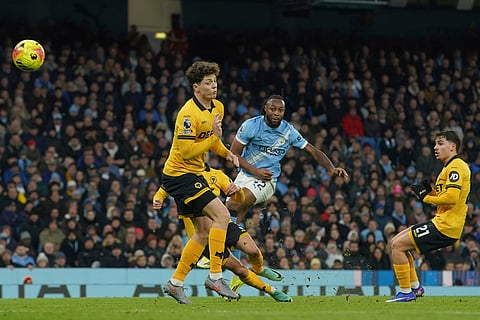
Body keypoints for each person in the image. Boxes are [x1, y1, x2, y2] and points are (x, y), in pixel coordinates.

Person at [154, 60, 239, 302]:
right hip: (180, 175)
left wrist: (227, 153)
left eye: (215, 81)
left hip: (192, 174)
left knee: (202, 233)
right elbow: (187, 151)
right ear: (195, 87)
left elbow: (215, 143)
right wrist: (214, 137)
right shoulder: (187, 114)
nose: (214, 86)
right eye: (208, 83)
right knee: (222, 217)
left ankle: (175, 283)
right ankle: (215, 276)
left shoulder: (217, 108)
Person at [154, 164, 291, 304]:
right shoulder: (183, 176)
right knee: (240, 270)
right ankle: (273, 292)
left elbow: (237, 197)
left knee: (253, 251)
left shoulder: (217, 174)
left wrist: (237, 191)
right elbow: (164, 188)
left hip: (224, 225)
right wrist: (158, 198)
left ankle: (259, 268)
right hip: (205, 237)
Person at [226, 94, 349, 225]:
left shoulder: (288, 132)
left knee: (233, 203)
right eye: (273, 109)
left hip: (266, 180)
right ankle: (230, 241)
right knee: (228, 218)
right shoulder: (251, 125)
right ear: (265, 109)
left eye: (280, 110)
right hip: (245, 174)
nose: (276, 113)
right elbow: (234, 153)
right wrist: (255, 171)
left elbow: (312, 151)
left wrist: (331, 168)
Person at [386, 131, 471, 302]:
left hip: (446, 226)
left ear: (453, 146)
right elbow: (445, 198)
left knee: (398, 246)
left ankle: (405, 292)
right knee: (396, 244)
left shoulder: (456, 166)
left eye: (440, 143)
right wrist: (432, 191)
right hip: (442, 222)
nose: (435, 147)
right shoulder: (448, 167)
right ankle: (415, 288)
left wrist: (427, 198)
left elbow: (452, 199)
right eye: (435, 144)